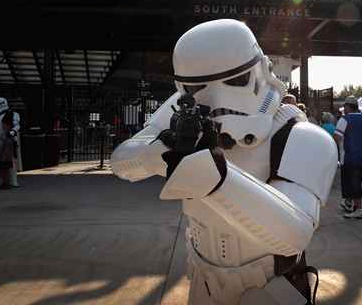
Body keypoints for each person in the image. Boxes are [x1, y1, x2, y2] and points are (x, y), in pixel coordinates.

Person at [111, 19, 338, 304]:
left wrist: (217, 179)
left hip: (266, 288)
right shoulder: (185, 106)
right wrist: (158, 152)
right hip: (202, 279)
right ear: (184, 89)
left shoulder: (302, 137)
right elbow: (121, 161)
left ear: (263, 71)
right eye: (198, 88)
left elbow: (294, 235)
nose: (218, 98)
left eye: (235, 80)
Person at [334, 95, 362, 218]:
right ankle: (349, 203)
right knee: (356, 181)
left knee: (353, 183)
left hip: (348, 157)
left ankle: (359, 209)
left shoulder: (344, 120)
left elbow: (336, 139)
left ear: (348, 107)